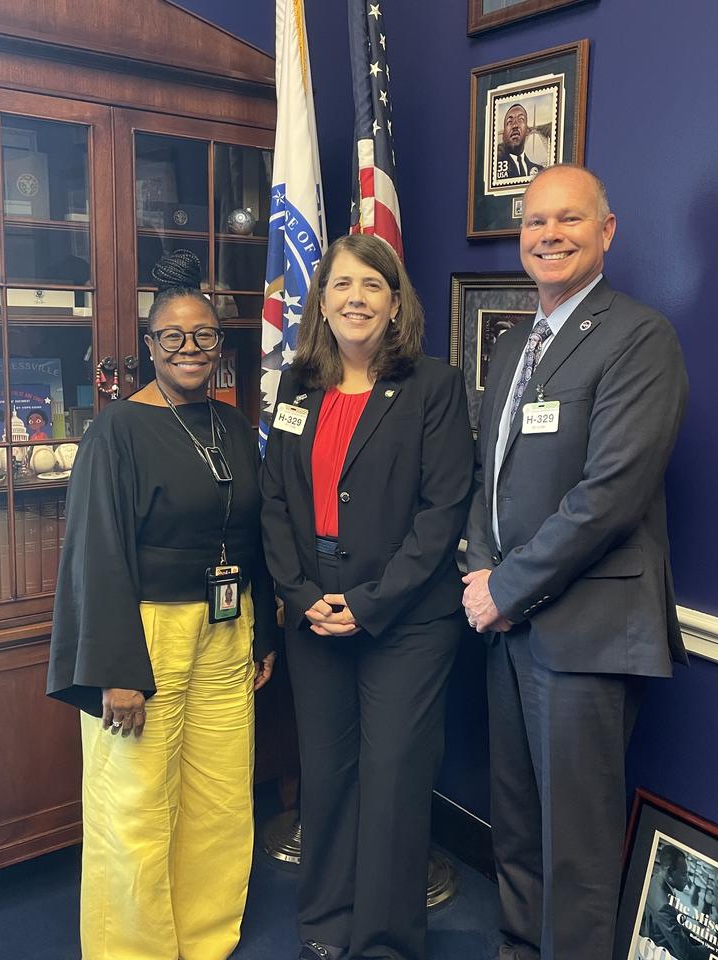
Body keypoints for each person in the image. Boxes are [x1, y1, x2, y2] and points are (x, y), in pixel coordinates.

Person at [462, 164, 688, 960]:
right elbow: (489, 476)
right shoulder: (519, 343)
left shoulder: (638, 338)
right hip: (507, 627)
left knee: (578, 853)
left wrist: (507, 589)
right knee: (517, 829)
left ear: (607, 231)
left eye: (569, 220)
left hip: (584, 634)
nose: (548, 236)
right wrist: (484, 572)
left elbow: (610, 497)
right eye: (534, 223)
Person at [47, 250, 277, 960]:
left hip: (224, 629)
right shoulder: (116, 432)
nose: (189, 349)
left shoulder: (233, 425)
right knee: (137, 803)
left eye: (203, 336)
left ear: (220, 345)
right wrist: (118, 669)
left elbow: (254, 530)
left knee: (218, 795)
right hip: (146, 635)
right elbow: (96, 555)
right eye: (172, 337)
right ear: (149, 347)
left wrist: (260, 632)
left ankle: (204, 937)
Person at [260, 234, 474, 960]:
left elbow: (442, 512)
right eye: (342, 284)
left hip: (407, 621)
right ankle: (324, 923)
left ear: (394, 302)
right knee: (326, 774)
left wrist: (372, 602)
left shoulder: (434, 388)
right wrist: (299, 592)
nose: (355, 297)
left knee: (391, 781)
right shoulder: (297, 384)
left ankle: (384, 942)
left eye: (372, 285)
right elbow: (275, 503)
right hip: (313, 614)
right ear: (321, 300)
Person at [495, 104, 544, 181]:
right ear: (503, 135)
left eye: (521, 120)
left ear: (527, 131)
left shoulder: (540, 172)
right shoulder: (494, 168)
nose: (515, 125)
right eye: (509, 122)